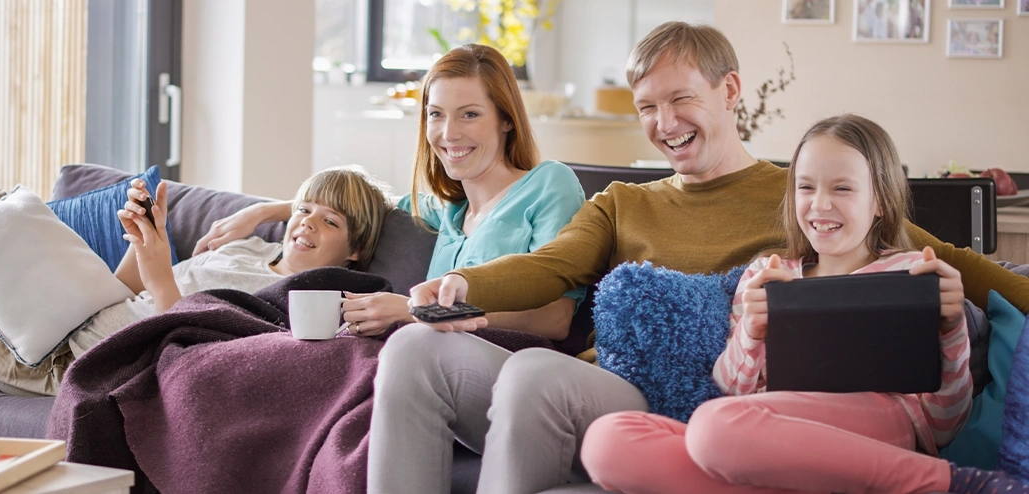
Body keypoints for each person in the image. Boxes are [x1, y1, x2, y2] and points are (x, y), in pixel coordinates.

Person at [377, 22, 1029, 494]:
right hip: (620, 395)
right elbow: (552, 265)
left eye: (680, 99)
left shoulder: (805, 193)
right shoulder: (623, 201)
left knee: (533, 377)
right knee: (409, 350)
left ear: (729, 90)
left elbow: (949, 262)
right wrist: (459, 282)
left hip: (732, 409)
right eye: (647, 108)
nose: (664, 123)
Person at [579, 113, 1029, 494]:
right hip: (763, 433)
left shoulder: (910, 275)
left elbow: (944, 425)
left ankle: (947, 484)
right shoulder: (766, 276)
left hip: (880, 425)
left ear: (881, 202)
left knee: (716, 428)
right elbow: (734, 392)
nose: (820, 204)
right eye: (806, 187)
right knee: (607, 441)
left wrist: (950, 327)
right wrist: (751, 333)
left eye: (843, 189)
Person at [195, 43, 588, 341]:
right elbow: (366, 205)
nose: (449, 134)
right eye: (436, 114)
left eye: (470, 114)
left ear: (505, 120)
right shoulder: (447, 209)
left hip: (501, 367)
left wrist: (416, 312)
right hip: (424, 359)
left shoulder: (548, 185)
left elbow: (553, 320)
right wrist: (265, 211)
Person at [65, 165, 392, 354]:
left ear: (356, 250)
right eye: (303, 210)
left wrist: (162, 281)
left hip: (91, 359)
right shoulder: (245, 246)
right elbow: (128, 291)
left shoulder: (301, 304)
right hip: (71, 328)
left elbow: (192, 362)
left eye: (330, 221)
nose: (308, 222)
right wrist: (144, 238)